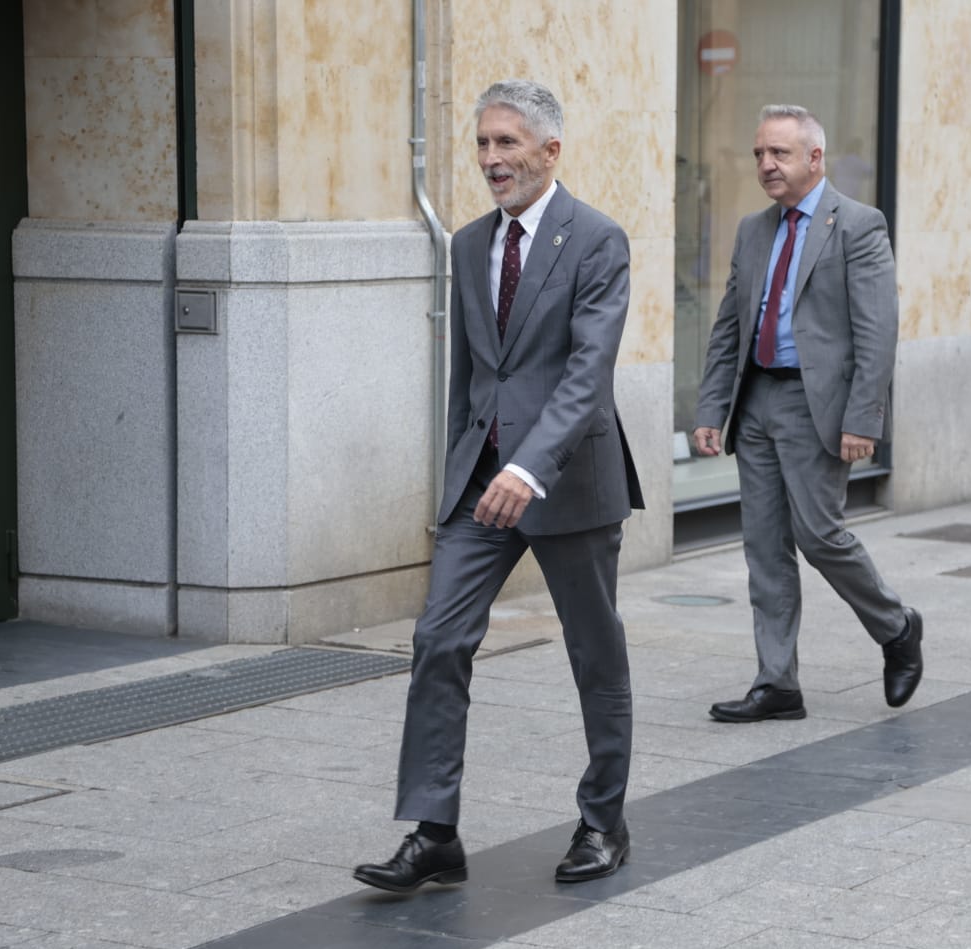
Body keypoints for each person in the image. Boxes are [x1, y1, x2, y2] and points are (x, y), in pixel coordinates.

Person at [354, 80, 643, 893]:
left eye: (507, 143)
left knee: (595, 652)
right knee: (438, 639)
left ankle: (602, 820)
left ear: (551, 151)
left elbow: (588, 374)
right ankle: (434, 830)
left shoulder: (598, 241)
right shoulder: (468, 243)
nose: (490, 160)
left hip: (567, 480)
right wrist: (462, 470)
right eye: (482, 143)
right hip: (481, 482)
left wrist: (529, 467)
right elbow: (470, 377)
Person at [692, 104, 922, 724]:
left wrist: (863, 418)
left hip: (816, 404)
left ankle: (896, 626)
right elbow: (730, 328)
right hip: (758, 400)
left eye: (780, 154)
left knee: (819, 535)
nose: (766, 165)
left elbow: (878, 331)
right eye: (760, 154)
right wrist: (712, 407)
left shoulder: (858, 226)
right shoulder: (752, 229)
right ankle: (778, 683)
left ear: (814, 158)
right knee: (764, 547)